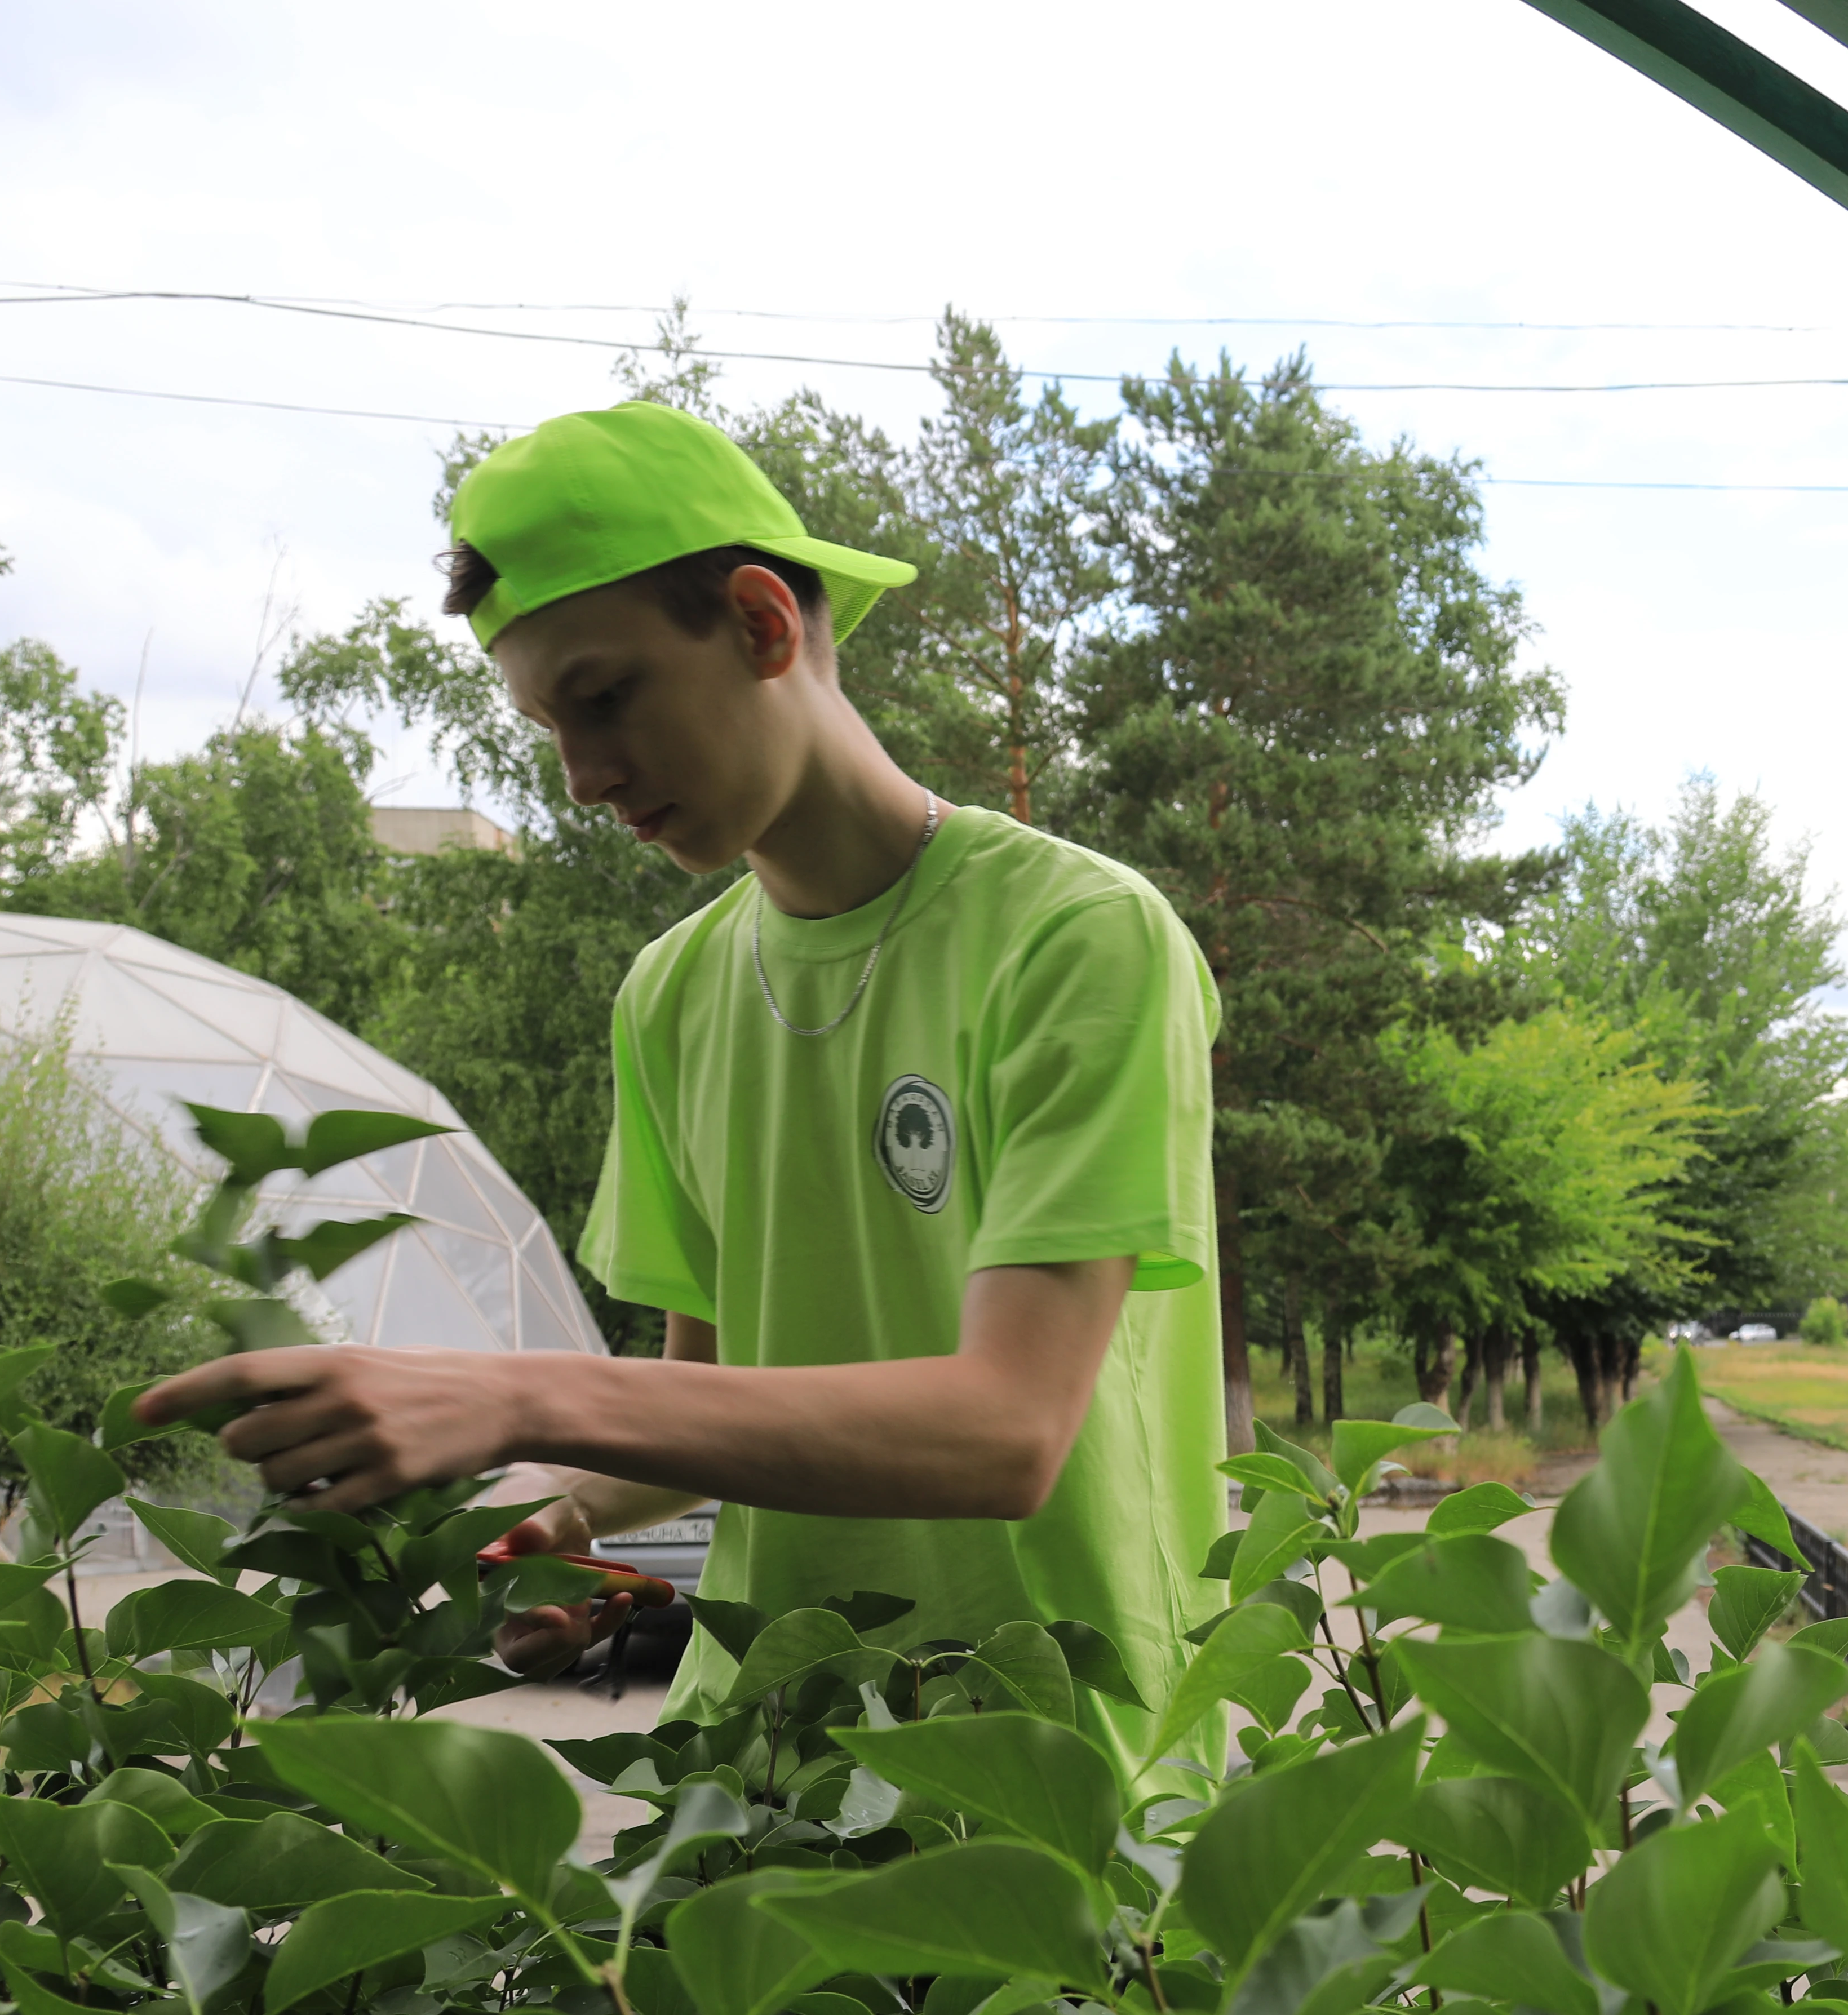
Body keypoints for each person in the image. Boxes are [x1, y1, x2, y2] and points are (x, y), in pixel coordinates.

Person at [138, 403, 1222, 1744]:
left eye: (605, 697)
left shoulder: (1075, 938)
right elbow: (705, 1392)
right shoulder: (672, 994)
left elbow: (1006, 1429)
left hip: (1057, 1766)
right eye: (546, 725)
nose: (583, 778)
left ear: (766, 625)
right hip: (759, 1774)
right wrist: (562, 1511)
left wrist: (512, 1394)